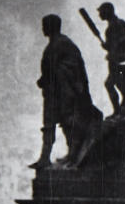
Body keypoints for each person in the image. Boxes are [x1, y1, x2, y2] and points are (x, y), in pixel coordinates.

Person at [30, 14, 101, 169]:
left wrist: (46, 79)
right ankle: (45, 157)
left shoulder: (61, 44)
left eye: (45, 25)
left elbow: (68, 68)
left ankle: (71, 155)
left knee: (67, 123)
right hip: (54, 91)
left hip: (64, 92)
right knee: (51, 124)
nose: (43, 28)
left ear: (52, 26)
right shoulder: (58, 43)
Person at [97, 2, 125, 115]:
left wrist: (108, 47)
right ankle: (124, 106)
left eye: (101, 11)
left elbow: (115, 46)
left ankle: (118, 110)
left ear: (107, 12)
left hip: (117, 62)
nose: (99, 14)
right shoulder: (121, 23)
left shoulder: (112, 27)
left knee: (111, 84)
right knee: (120, 84)